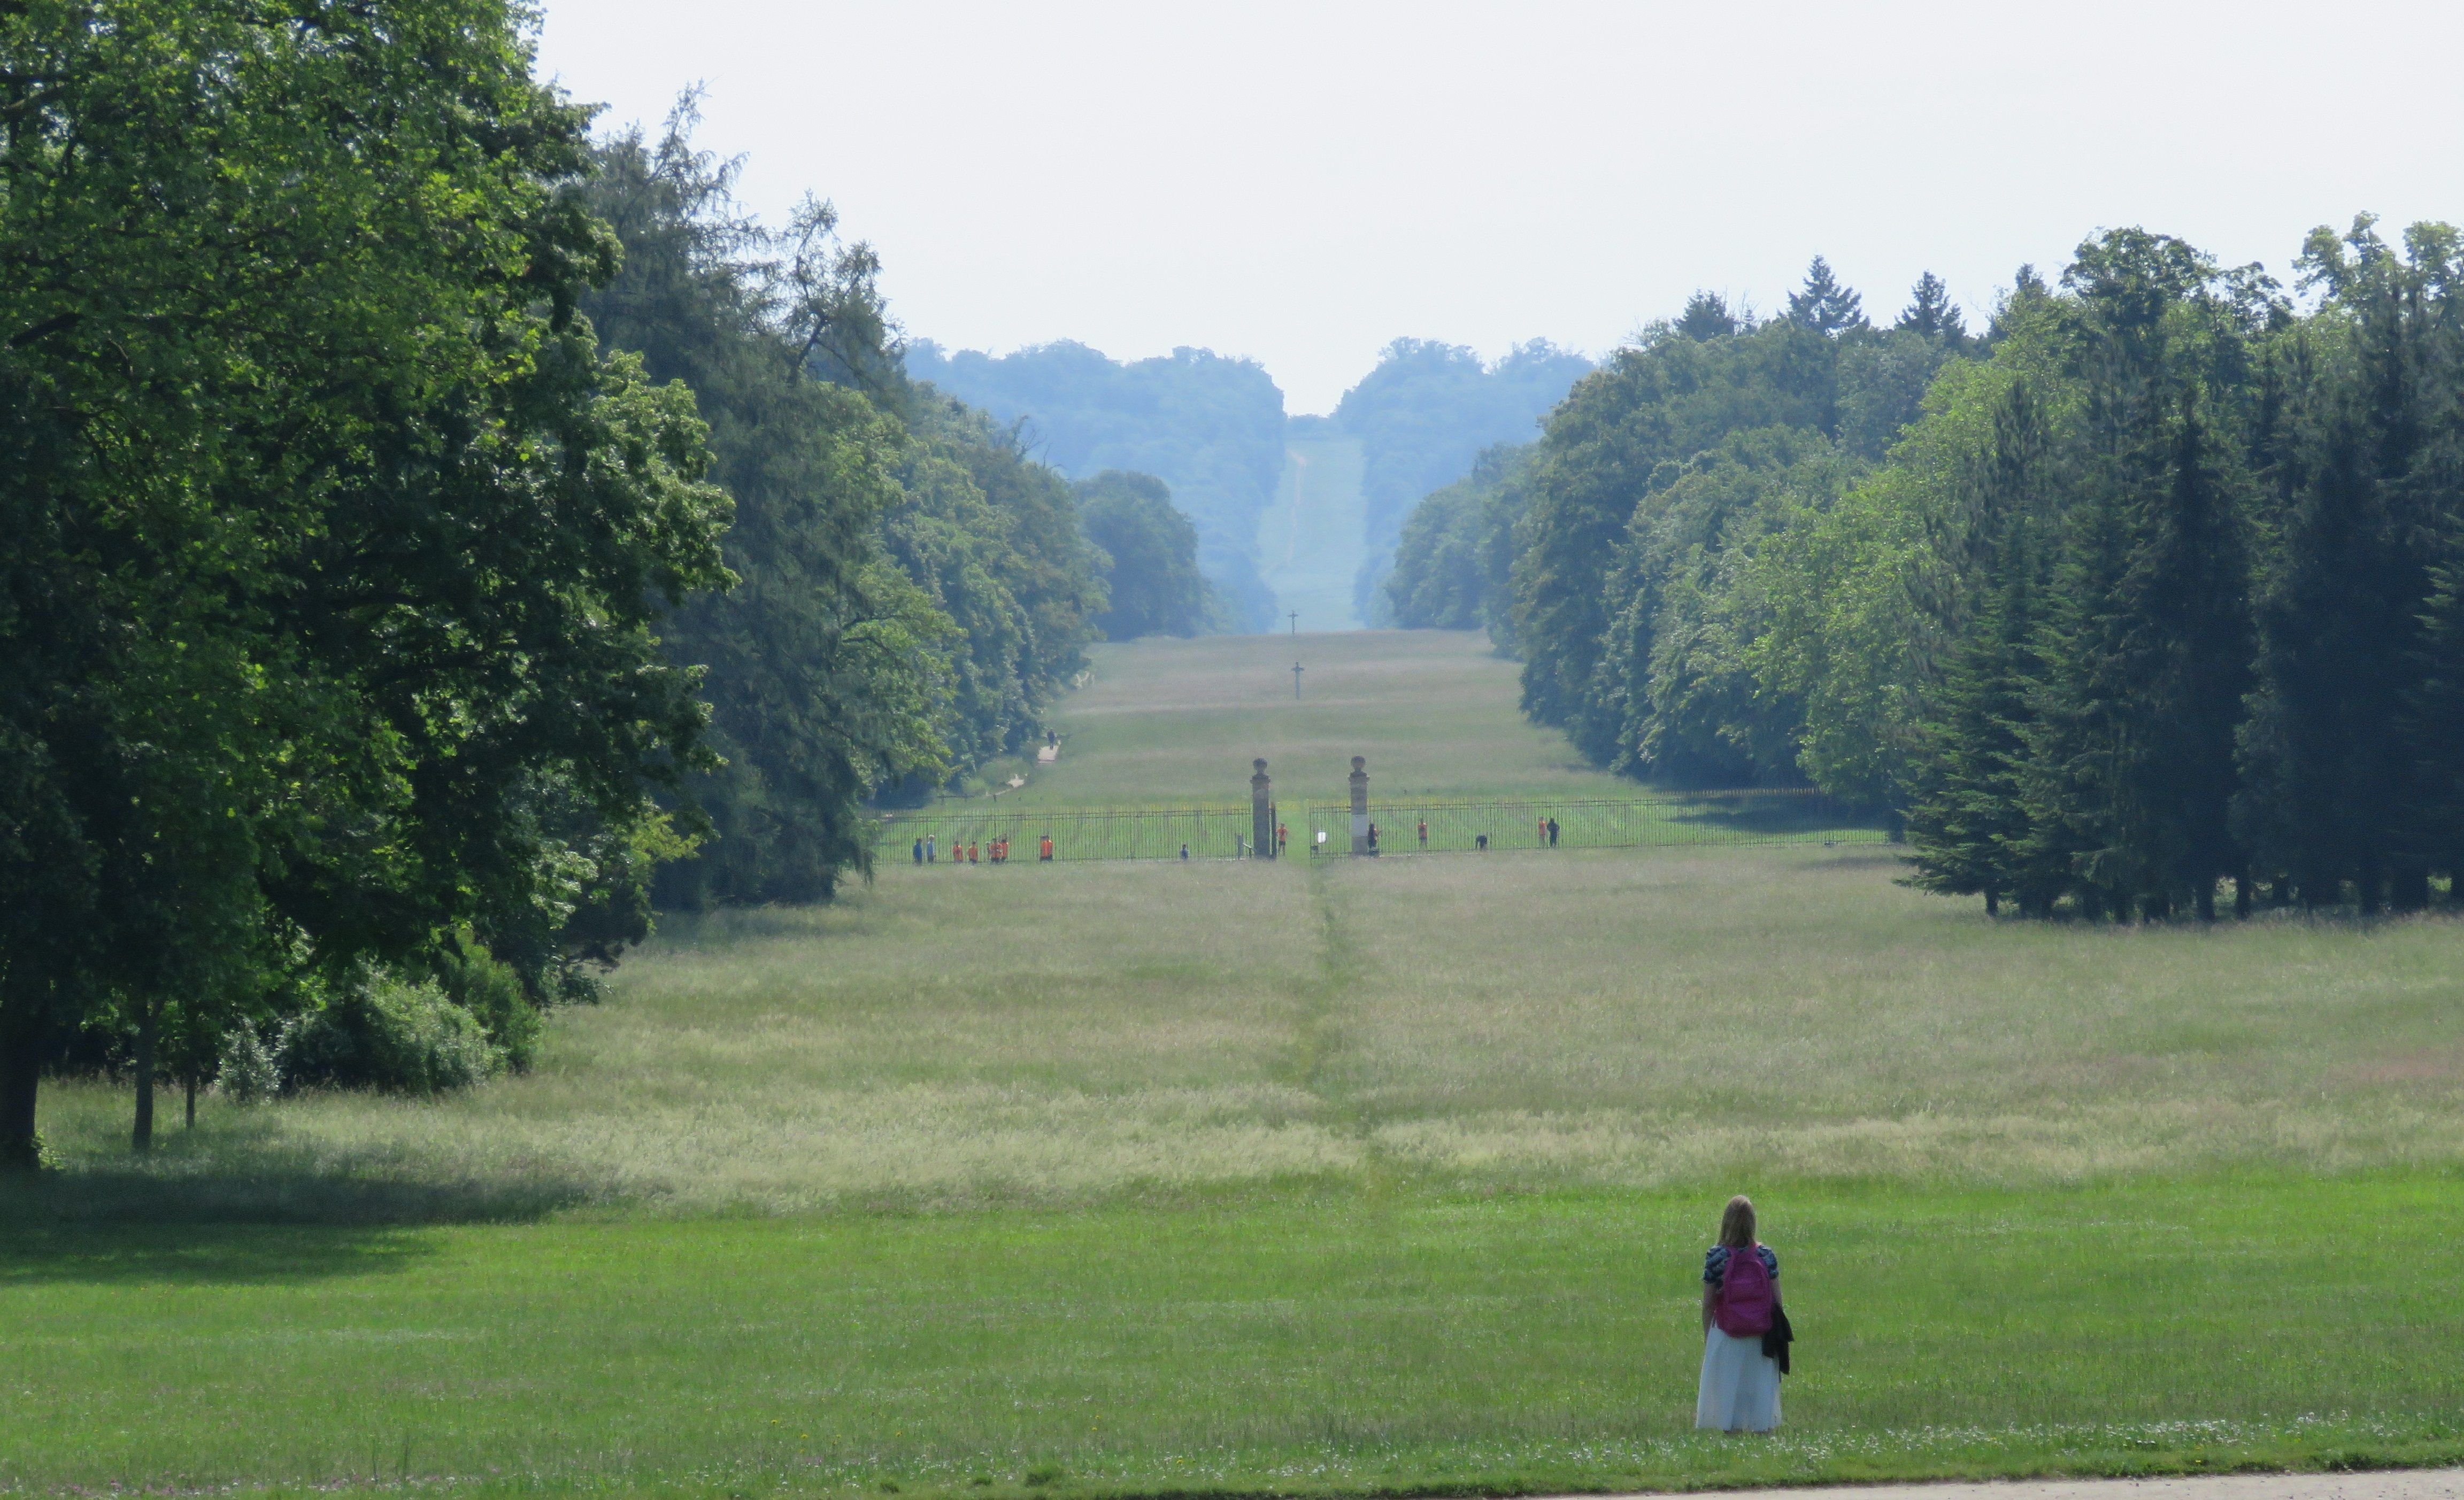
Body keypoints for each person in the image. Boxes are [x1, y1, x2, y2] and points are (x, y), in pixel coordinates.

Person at [1696, 1195, 1782, 1434]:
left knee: (1728, 1388)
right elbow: (1777, 1302)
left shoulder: (1716, 1256)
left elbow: (1708, 1303)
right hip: (1760, 1332)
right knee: (1758, 1387)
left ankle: (1730, 1434)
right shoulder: (1766, 1255)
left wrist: (1708, 1338)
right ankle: (1762, 1433)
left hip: (1727, 1331)